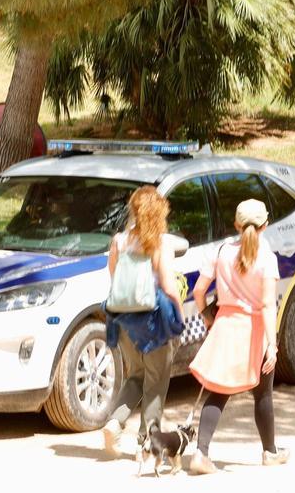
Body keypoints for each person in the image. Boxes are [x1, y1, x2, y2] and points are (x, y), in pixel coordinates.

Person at [187, 199, 288, 474]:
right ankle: (270, 451)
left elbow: (198, 291)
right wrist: (272, 344)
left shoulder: (221, 251)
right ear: (265, 225)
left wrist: (207, 315)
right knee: (263, 395)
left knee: (218, 393)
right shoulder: (267, 257)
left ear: (236, 224)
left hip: (225, 327)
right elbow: (268, 305)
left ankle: (201, 453)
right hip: (254, 330)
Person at [101, 186, 184, 457]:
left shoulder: (119, 241)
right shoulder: (159, 243)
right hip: (153, 322)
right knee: (156, 382)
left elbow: (116, 281)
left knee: (135, 376)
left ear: (134, 210)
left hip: (124, 320)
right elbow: (170, 288)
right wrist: (179, 317)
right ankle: (148, 442)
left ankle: (114, 422)